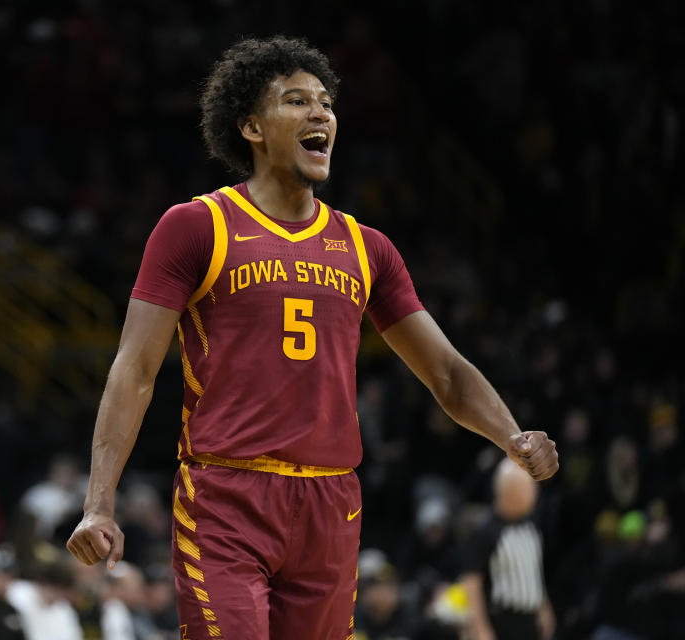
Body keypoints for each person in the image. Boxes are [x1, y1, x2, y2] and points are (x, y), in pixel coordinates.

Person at [65, 36, 559, 639]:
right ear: (250, 126)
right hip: (227, 494)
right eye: (296, 101)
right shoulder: (196, 226)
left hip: (331, 503)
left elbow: (447, 373)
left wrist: (511, 434)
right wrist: (99, 502)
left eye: (325, 103)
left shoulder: (366, 247)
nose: (320, 113)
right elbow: (135, 370)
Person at [463, 459, 555, 640]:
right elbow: (472, 583)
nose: (534, 495)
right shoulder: (485, 531)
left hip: (529, 620)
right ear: (511, 494)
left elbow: (532, 571)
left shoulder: (531, 524)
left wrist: (544, 607)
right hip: (501, 621)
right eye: (529, 490)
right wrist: (481, 628)